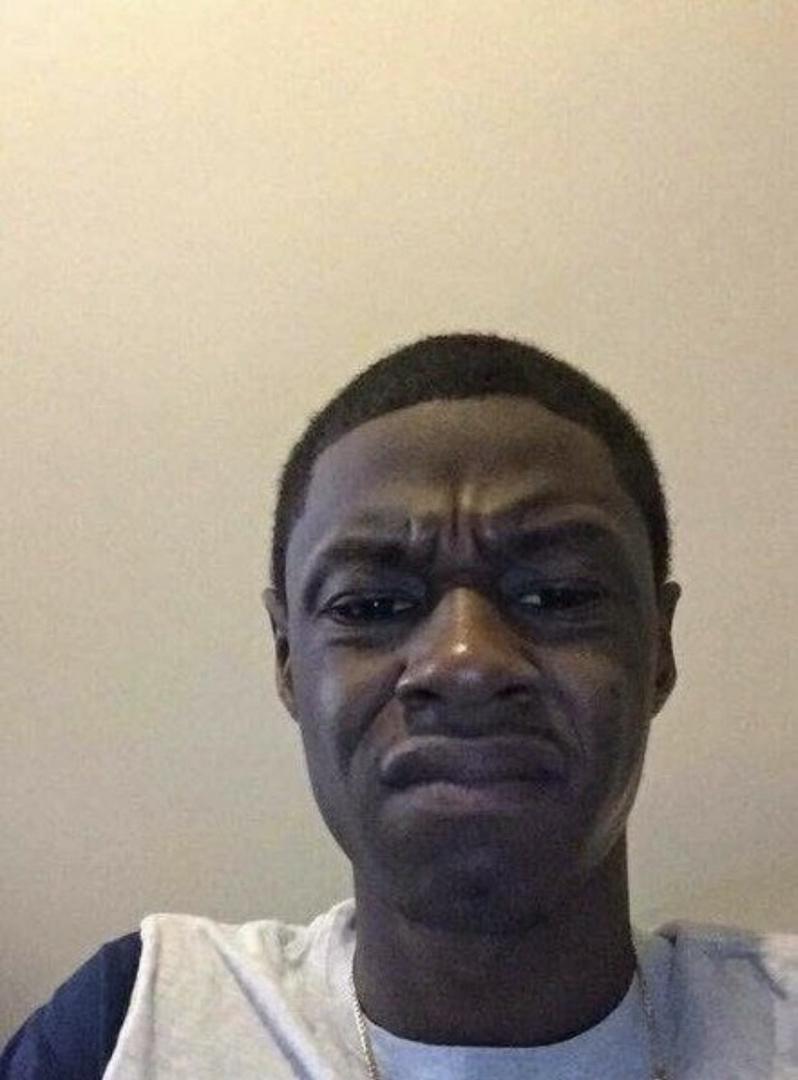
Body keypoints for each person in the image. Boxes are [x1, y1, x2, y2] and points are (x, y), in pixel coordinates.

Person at [2, 333, 795, 1079]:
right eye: (372, 605)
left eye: (557, 594)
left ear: (658, 648)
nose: (466, 661)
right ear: (287, 659)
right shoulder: (135, 1022)